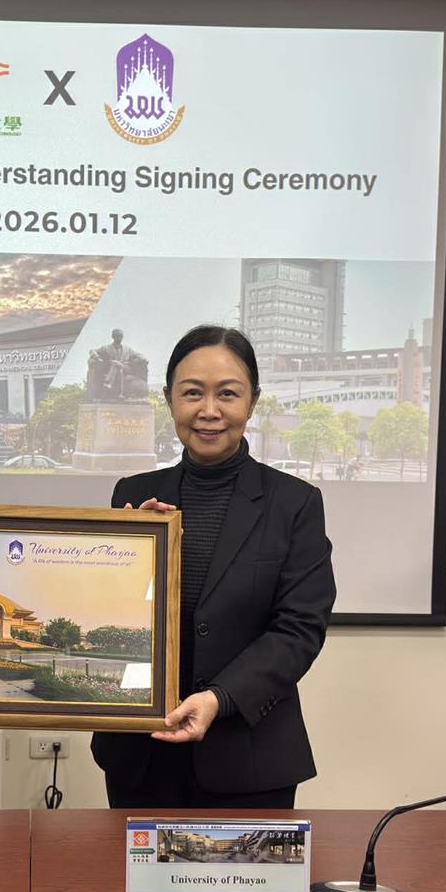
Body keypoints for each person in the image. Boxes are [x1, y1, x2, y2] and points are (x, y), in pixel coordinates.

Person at [90, 326, 336, 808]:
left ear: (253, 401)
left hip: (249, 754)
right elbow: (106, 611)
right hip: (141, 754)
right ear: (168, 399)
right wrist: (123, 554)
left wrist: (220, 698)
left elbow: (300, 628)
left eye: (227, 393)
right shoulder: (133, 494)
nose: (209, 410)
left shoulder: (295, 503)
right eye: (192, 393)